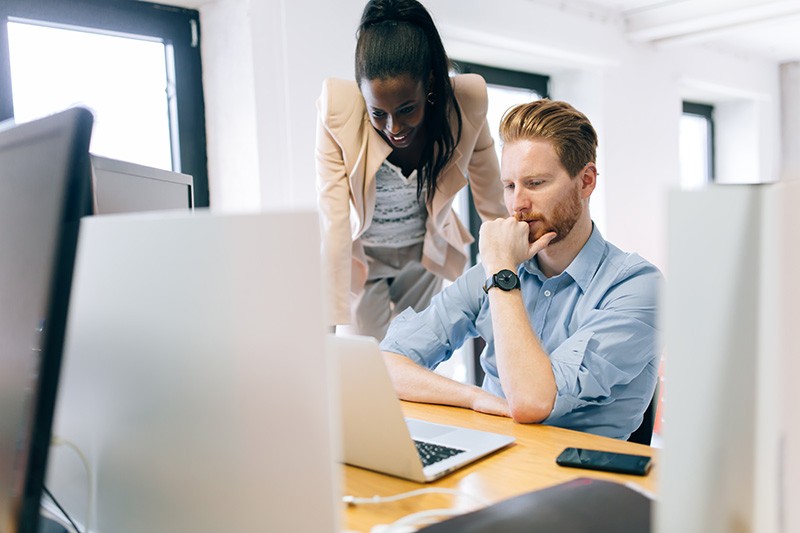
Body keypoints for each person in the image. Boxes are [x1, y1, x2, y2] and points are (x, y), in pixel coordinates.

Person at [380, 99, 662, 440]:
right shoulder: (500, 266)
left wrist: (502, 275)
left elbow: (532, 401)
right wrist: (474, 397)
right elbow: (386, 364)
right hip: (497, 461)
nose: (517, 205)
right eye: (510, 186)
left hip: (584, 480)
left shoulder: (636, 286)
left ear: (586, 181)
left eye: (536, 183)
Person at [315, 0, 507, 340]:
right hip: (366, 257)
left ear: (429, 84)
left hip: (424, 253)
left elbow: (493, 203)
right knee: (368, 361)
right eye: (379, 113)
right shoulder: (336, 108)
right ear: (362, 94)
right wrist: (325, 330)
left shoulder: (466, 103)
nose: (394, 126)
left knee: (414, 358)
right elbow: (333, 220)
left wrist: (511, 279)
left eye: (407, 109)